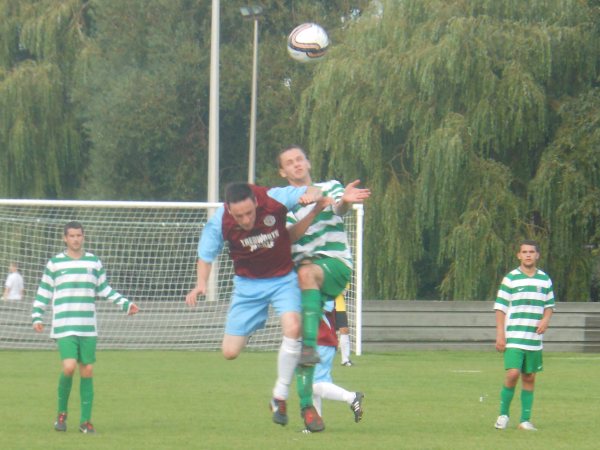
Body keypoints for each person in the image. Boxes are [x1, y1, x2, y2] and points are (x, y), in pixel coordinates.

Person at [185, 182, 326, 432]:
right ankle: (253, 323)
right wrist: (200, 284)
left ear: (255, 203)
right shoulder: (220, 221)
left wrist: (311, 197)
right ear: (229, 209)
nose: (246, 220)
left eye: (249, 213)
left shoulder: (274, 198)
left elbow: (312, 190)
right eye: (239, 215)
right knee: (230, 352)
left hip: (283, 279)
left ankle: (279, 396)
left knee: (293, 328)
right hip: (247, 287)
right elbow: (205, 256)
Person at [32, 221, 139, 434]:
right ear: (65, 238)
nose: (75, 239)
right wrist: (37, 315)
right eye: (71, 236)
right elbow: (44, 291)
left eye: (78, 235)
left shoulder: (93, 262)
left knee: (87, 370)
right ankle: (61, 414)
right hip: (64, 325)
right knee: (69, 367)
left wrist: (125, 303)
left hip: (87, 326)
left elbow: (104, 288)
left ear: (84, 237)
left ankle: (85, 422)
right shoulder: (55, 263)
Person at [277, 145, 370, 367]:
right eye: (290, 162)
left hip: (334, 264)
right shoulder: (284, 203)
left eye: (300, 159)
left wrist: (346, 200)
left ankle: (309, 347)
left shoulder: (330, 187)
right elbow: (288, 238)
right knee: (302, 354)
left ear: (308, 163)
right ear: (282, 172)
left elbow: (339, 208)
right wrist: (313, 211)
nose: (297, 164)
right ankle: (305, 393)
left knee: (307, 273)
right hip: (306, 277)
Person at [493, 240, 555, 432]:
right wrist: (500, 335)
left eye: (531, 252)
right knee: (512, 373)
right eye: (524, 252)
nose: (528, 255)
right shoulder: (510, 279)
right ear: (519, 255)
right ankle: (503, 415)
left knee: (529, 376)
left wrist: (546, 320)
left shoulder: (544, 279)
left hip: (534, 338)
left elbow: (549, 305)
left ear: (537, 255)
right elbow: (500, 308)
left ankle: (525, 420)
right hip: (514, 336)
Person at [301, 300, 364, 433]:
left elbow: (325, 307)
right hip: (318, 340)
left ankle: (351, 397)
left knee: (314, 385)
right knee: (312, 384)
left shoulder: (324, 288)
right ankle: (315, 425)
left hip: (323, 340)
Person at [334, 287, 353, 366]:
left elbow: (343, 291)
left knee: (344, 330)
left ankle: (345, 359)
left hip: (339, 307)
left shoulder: (344, 276)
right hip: (324, 306)